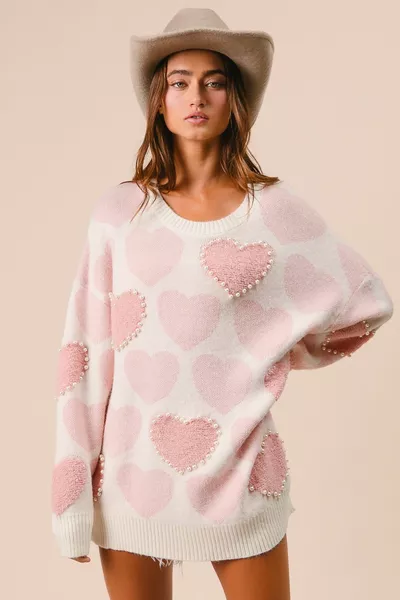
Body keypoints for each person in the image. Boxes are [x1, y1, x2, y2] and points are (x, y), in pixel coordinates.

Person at [50, 8, 394, 600]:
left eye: (214, 82)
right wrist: (70, 499)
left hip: (242, 479)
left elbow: (366, 302)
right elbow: (82, 358)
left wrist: (270, 355)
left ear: (234, 100)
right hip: (132, 481)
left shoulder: (275, 212)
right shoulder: (119, 214)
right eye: (179, 82)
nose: (196, 96)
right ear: (159, 101)